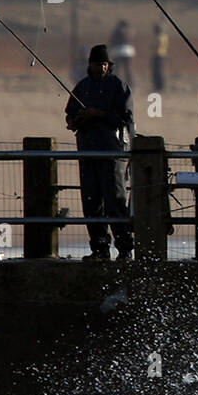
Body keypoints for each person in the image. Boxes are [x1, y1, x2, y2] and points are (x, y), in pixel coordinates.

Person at [65, 44, 134, 261]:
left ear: (109, 65)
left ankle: (125, 249)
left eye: (104, 64)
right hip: (87, 151)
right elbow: (69, 114)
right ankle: (100, 249)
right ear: (90, 65)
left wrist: (98, 114)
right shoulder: (82, 87)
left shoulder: (118, 86)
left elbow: (125, 117)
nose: (101, 68)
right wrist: (76, 121)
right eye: (97, 64)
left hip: (112, 152)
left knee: (115, 200)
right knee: (91, 201)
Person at [110, 21, 136, 87]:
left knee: (117, 69)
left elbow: (112, 41)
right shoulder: (129, 31)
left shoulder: (116, 31)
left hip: (118, 51)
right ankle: (131, 84)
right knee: (128, 69)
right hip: (128, 51)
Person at [151, 23, 169, 92]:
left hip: (158, 55)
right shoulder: (164, 36)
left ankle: (159, 87)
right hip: (161, 55)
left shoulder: (159, 37)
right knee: (159, 72)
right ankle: (159, 86)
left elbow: (155, 45)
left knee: (158, 72)